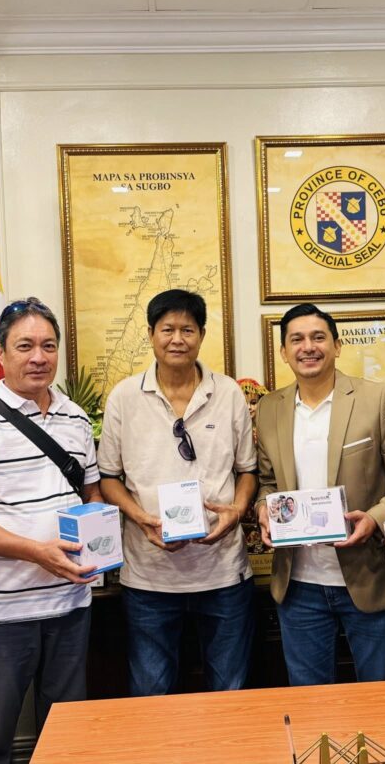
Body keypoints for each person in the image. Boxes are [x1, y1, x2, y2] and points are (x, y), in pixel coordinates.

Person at [0, 297, 102, 764]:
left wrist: (99, 538)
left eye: (48, 345)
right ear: (1, 351)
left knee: (67, 742)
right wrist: (35, 551)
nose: (38, 357)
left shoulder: (75, 417)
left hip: (71, 603)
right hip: (2, 612)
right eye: (25, 346)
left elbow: (91, 493)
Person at [256, 303, 385, 686]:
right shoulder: (269, 408)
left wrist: (376, 518)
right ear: (283, 352)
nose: (308, 347)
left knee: (380, 700)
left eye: (318, 337)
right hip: (298, 585)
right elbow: (267, 482)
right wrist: (264, 508)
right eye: (296, 339)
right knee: (310, 703)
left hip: (369, 579)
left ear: (336, 345)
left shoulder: (376, 398)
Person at [98, 289, 257, 696]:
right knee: (151, 695)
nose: (177, 339)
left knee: (230, 693)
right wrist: (140, 518)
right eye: (167, 329)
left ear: (201, 335)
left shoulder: (228, 393)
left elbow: (248, 471)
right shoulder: (124, 397)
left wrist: (237, 510)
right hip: (149, 577)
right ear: (151, 334)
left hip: (223, 572)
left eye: (188, 329)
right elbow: (109, 477)